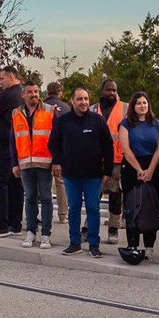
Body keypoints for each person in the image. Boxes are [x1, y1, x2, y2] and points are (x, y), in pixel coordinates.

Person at [48, 87, 114, 258]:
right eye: (80, 99)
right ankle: (74, 243)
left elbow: (108, 146)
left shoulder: (97, 121)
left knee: (93, 208)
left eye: (86, 99)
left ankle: (94, 244)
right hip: (71, 175)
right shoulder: (63, 121)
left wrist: (107, 171)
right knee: (74, 209)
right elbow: (53, 144)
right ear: (72, 101)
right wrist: (60, 161)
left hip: (93, 175)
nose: (84, 102)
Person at [118, 91, 159, 258]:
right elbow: (125, 148)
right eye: (138, 103)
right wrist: (139, 169)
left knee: (151, 207)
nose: (142, 106)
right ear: (133, 106)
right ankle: (132, 244)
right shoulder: (125, 124)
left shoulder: (157, 124)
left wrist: (150, 170)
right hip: (132, 169)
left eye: (144, 103)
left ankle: (149, 246)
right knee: (132, 207)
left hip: (153, 167)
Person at [10, 81, 55, 248]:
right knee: (29, 198)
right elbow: (13, 140)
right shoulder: (16, 113)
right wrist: (15, 163)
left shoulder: (49, 111)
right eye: (30, 92)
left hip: (45, 163)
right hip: (25, 164)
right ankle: (30, 231)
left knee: (46, 198)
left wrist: (56, 162)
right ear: (23, 95)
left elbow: (56, 138)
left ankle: (46, 234)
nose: (34, 95)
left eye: (36, 91)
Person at [0, 68, 24, 237]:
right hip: (20, 144)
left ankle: (2, 224)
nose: (0, 82)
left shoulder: (6, 95)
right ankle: (16, 224)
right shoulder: (22, 93)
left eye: (2, 79)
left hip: (5, 143)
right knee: (17, 185)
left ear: (11, 77)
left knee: (1, 183)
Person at [91, 79, 127, 244]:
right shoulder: (92, 109)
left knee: (115, 195)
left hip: (117, 159)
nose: (111, 93)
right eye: (108, 90)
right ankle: (89, 227)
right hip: (95, 159)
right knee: (93, 194)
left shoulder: (125, 108)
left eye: (114, 90)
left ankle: (113, 228)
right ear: (102, 91)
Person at [43, 82, 70, 224]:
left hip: (43, 150)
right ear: (60, 92)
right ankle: (63, 214)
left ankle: (44, 214)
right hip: (61, 150)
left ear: (47, 92)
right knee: (60, 183)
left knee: (44, 183)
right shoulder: (66, 108)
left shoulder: (42, 107)